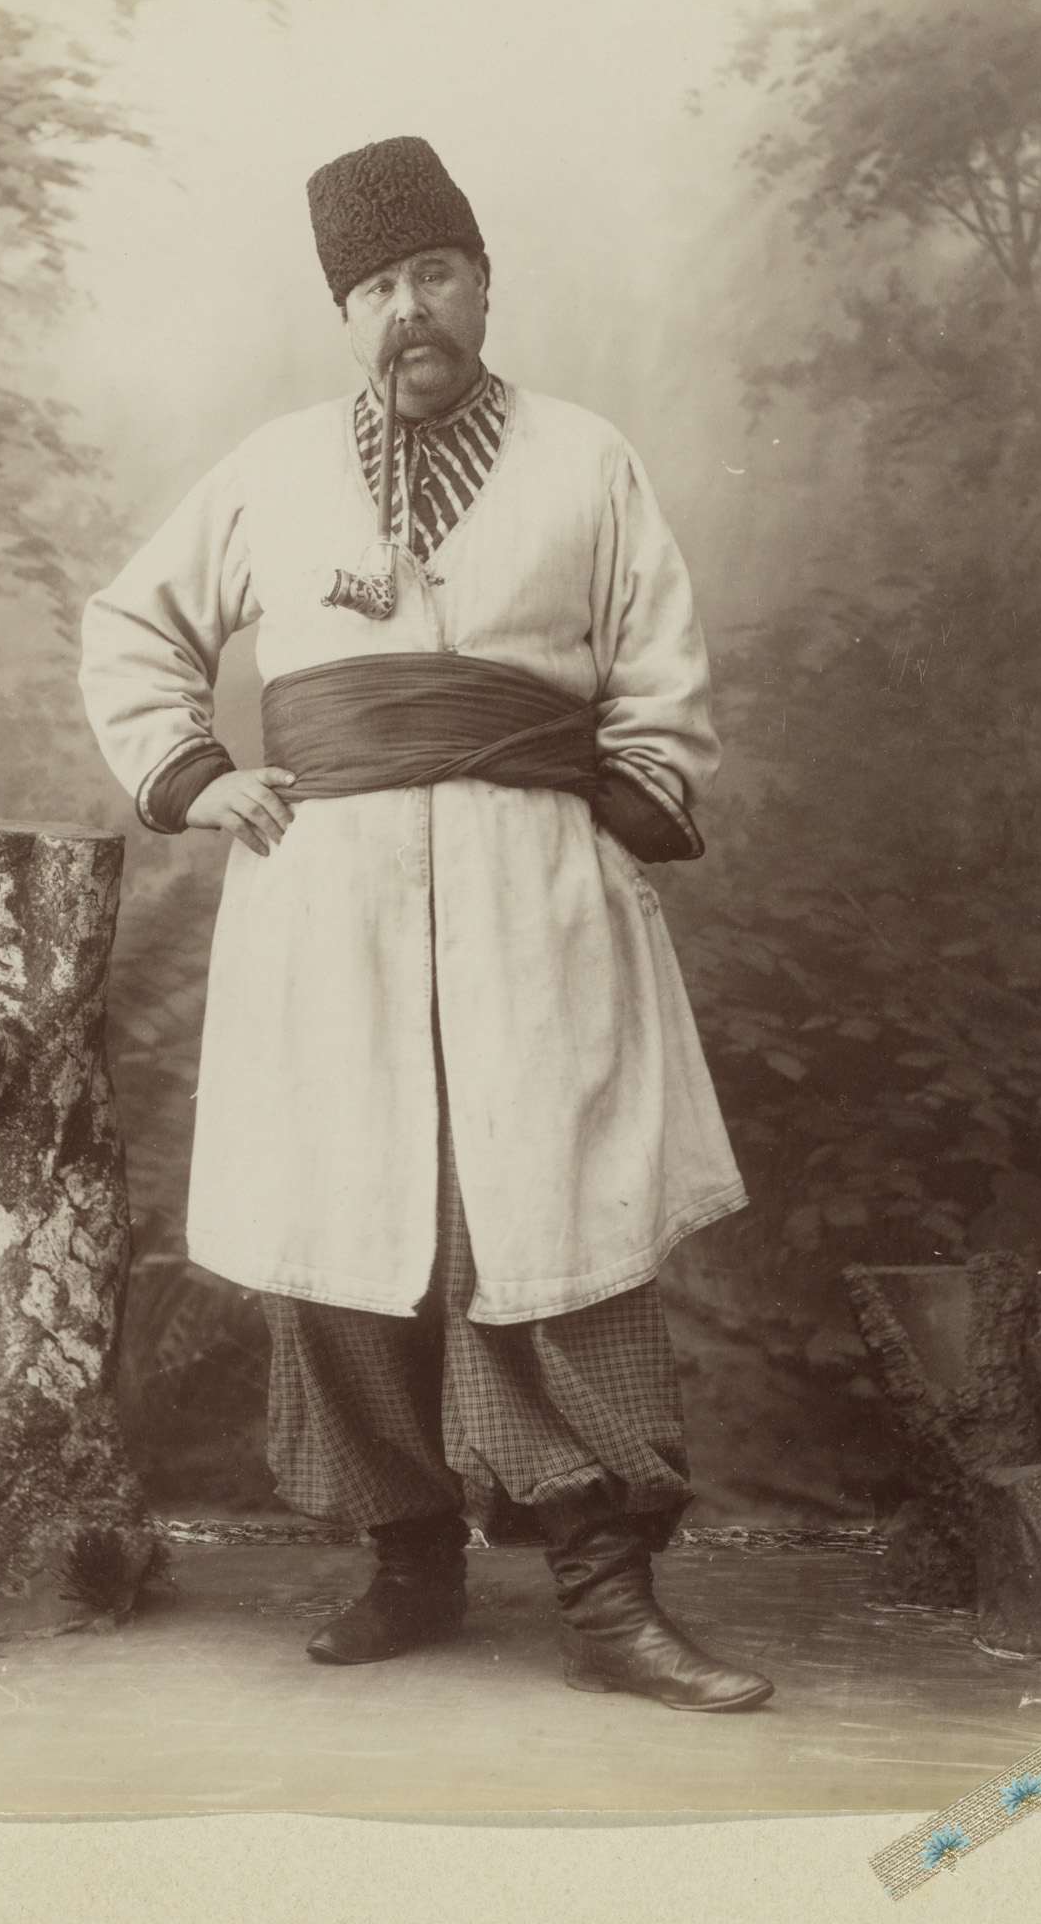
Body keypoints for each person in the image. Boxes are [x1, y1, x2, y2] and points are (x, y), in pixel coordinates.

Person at [79, 135, 772, 1712]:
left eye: (435, 275)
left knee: (550, 1226)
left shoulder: (585, 459)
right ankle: (408, 1559)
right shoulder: (271, 471)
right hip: (326, 907)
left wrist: (602, 822)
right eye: (378, 288)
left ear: (482, 283)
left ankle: (609, 1595)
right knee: (344, 1227)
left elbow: (661, 674)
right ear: (347, 314)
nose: (410, 311)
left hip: (536, 896)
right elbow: (132, 627)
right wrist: (195, 776)